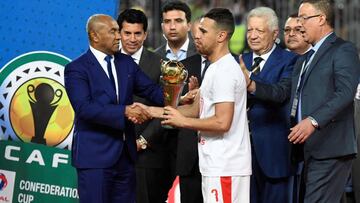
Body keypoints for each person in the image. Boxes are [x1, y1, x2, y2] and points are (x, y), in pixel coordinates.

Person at [64, 14, 163, 203]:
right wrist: (125, 111)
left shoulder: (125, 63)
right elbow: (84, 108)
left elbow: (150, 90)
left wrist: (179, 97)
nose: (119, 37)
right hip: (95, 158)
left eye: (118, 31)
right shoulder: (76, 68)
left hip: (125, 157)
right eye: (113, 32)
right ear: (95, 36)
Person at [157, 8, 252, 202]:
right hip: (213, 164)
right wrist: (151, 111)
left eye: (204, 32)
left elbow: (222, 122)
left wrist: (182, 122)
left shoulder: (225, 71)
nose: (197, 36)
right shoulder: (213, 68)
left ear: (221, 36)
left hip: (226, 165)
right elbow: (196, 109)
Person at [288, 0, 360, 202]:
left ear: (321, 19)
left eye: (303, 18)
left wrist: (312, 120)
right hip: (307, 149)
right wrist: (252, 85)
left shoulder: (343, 49)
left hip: (331, 148)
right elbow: (287, 92)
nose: (299, 24)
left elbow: (345, 92)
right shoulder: (304, 58)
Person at [240, 7, 297, 203]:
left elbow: (280, 93)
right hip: (240, 155)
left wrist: (251, 83)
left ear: (274, 34)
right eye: (249, 30)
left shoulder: (290, 60)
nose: (253, 36)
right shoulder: (239, 60)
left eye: (259, 31)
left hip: (274, 153)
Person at [116, 9, 168, 203]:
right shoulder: (106, 61)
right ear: (119, 33)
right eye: (127, 33)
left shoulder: (161, 64)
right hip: (109, 152)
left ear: (145, 34)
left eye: (137, 33)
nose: (132, 39)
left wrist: (143, 141)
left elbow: (168, 109)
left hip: (146, 156)